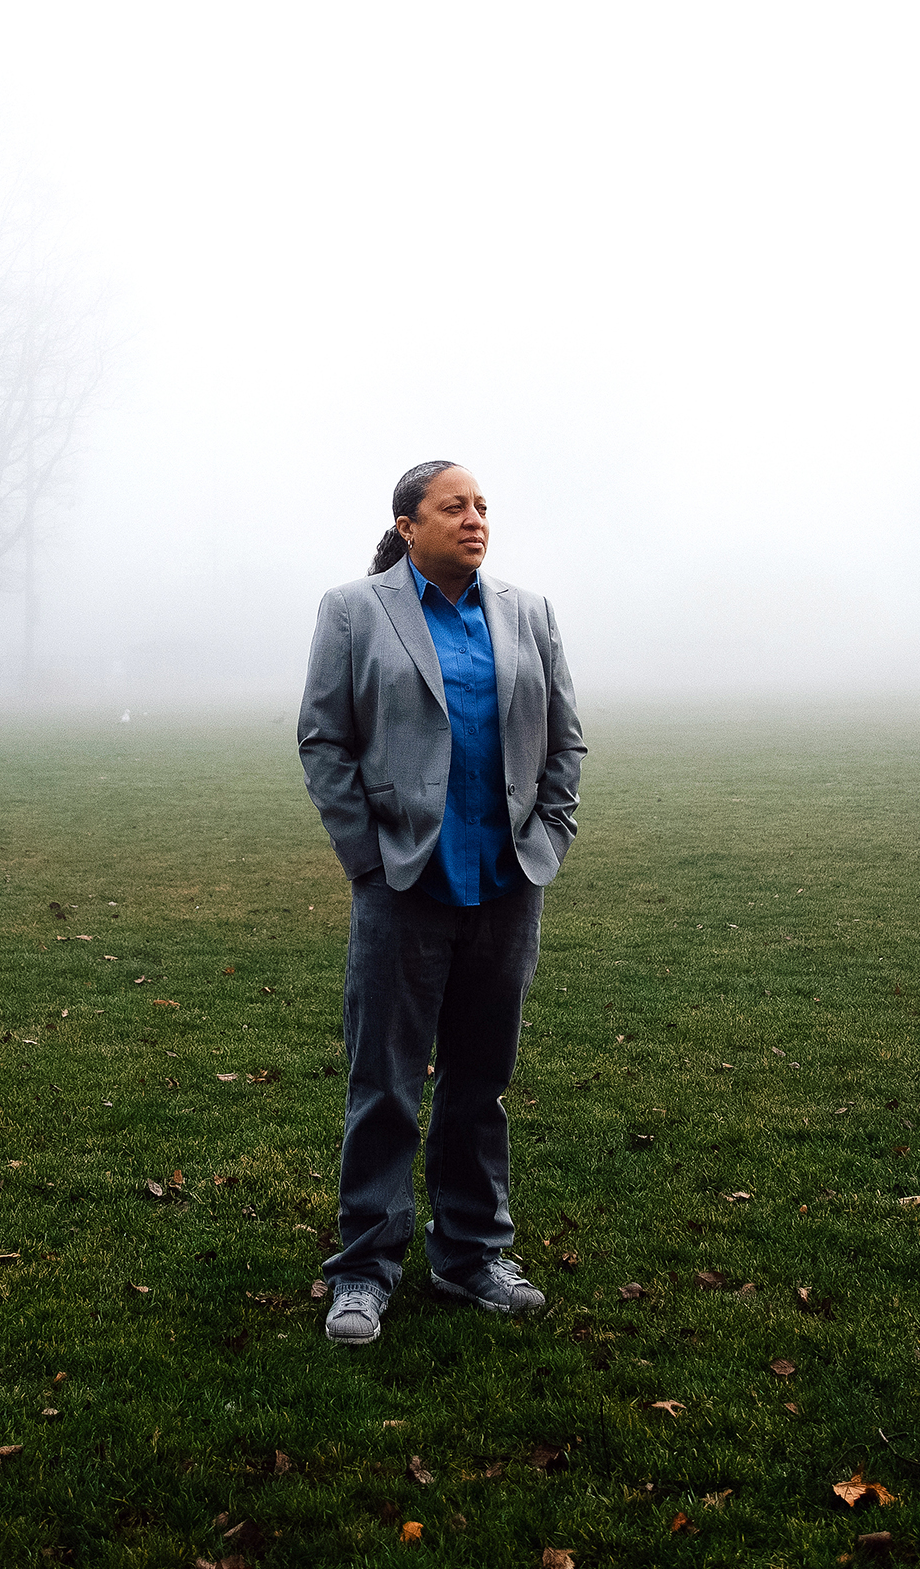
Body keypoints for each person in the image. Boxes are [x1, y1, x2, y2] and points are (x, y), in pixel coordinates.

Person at [296, 461, 585, 1347]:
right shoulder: (355, 610)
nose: (474, 518)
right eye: (453, 506)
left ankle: (470, 1255)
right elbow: (324, 738)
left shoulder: (529, 613)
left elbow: (565, 741)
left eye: (482, 506)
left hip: (506, 886)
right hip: (404, 885)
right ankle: (363, 1268)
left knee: (479, 1083)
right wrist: (367, 858)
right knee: (384, 1084)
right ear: (407, 525)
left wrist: (548, 839)